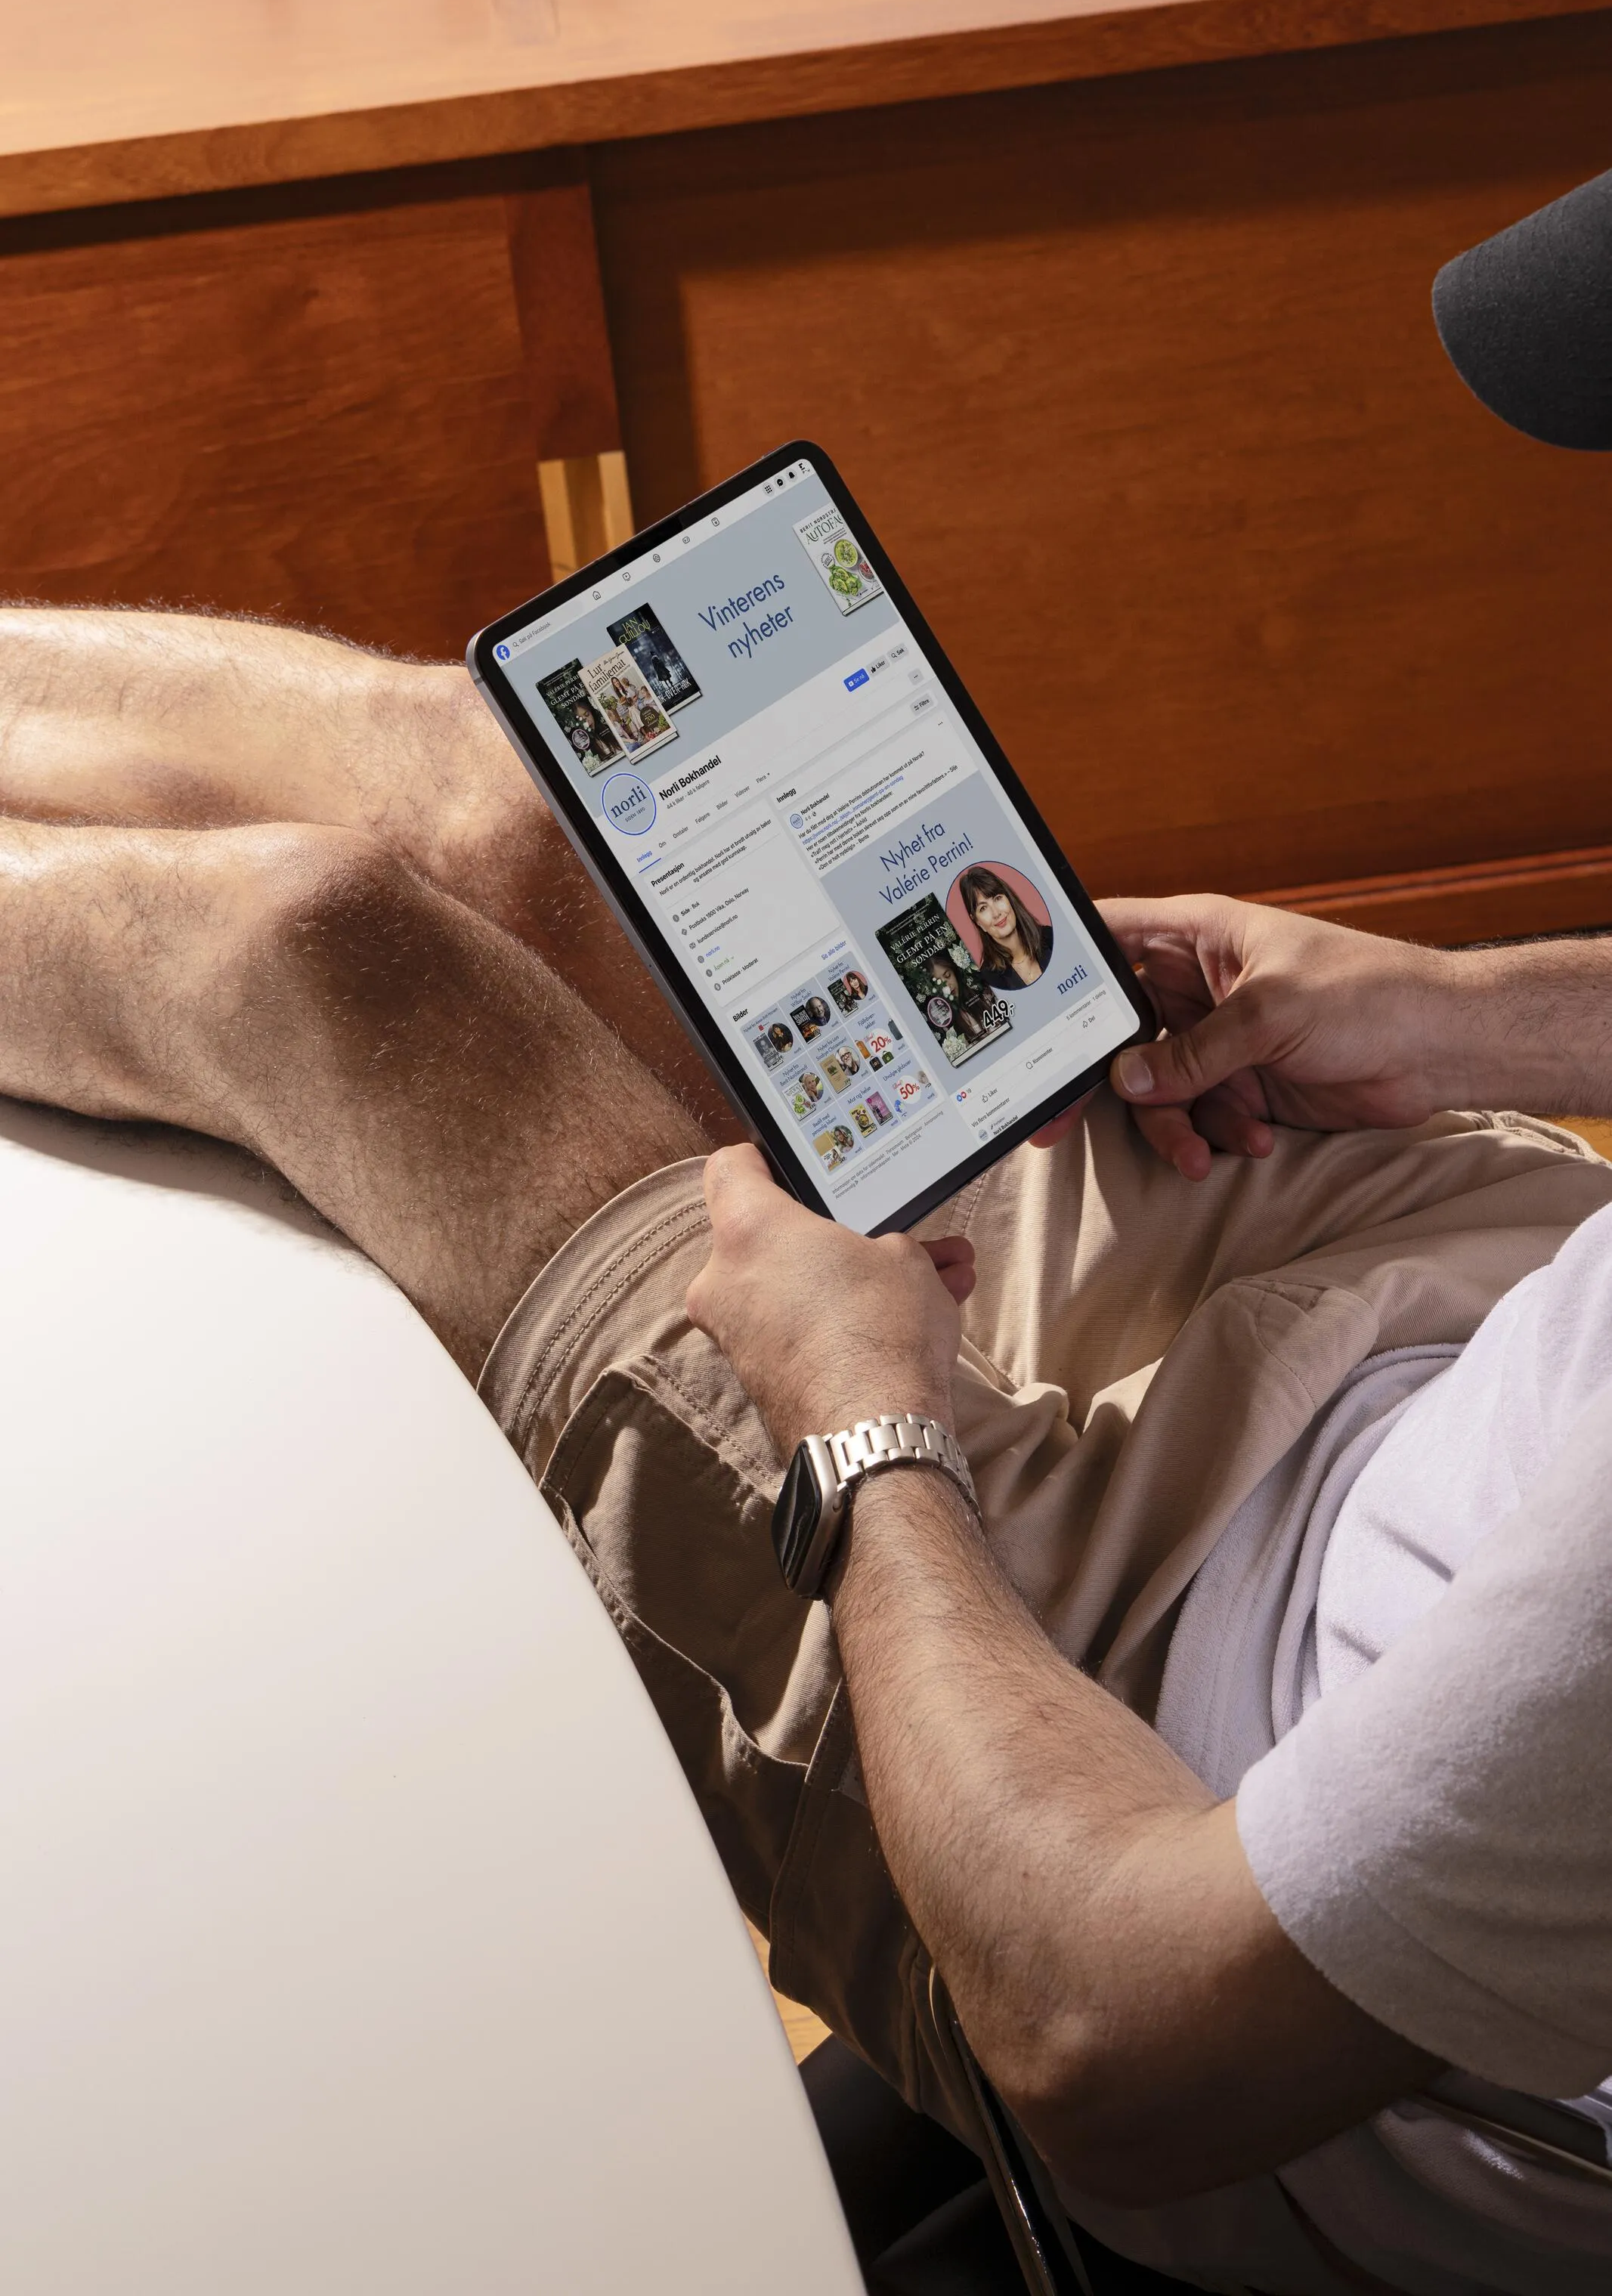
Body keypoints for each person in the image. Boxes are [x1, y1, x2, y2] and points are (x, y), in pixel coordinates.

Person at [2, 169, 1612, 2296]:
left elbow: (1117, 2040)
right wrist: (1485, 1005)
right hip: (1472, 1352)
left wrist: (863, 1436)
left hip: (1170, 1811)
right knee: (523, 785)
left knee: (323, 956)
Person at [958, 863, 1052, 987]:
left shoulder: (1050, 936)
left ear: (1009, 899)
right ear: (977, 921)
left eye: (997, 898)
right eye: (983, 908)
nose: (996, 913)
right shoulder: (988, 980)